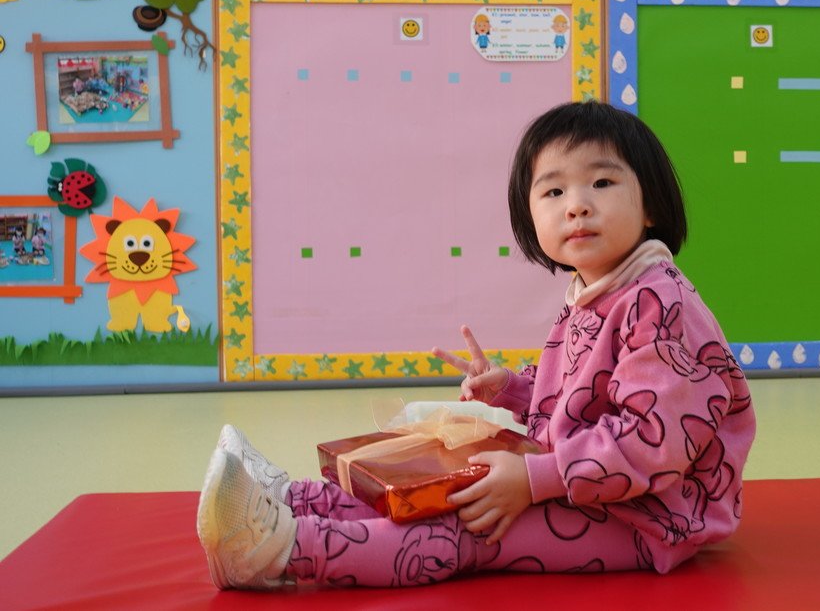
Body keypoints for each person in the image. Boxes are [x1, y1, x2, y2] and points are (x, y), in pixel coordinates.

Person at [196, 101, 756, 589]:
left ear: (651, 203)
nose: (576, 205)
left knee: (468, 526)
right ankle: (292, 500)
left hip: (647, 517)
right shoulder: (597, 291)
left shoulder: (659, 302)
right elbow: (587, 398)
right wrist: (511, 390)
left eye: (602, 184)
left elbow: (653, 443)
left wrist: (533, 481)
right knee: (433, 486)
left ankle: (277, 550)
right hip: (584, 483)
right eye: (554, 190)